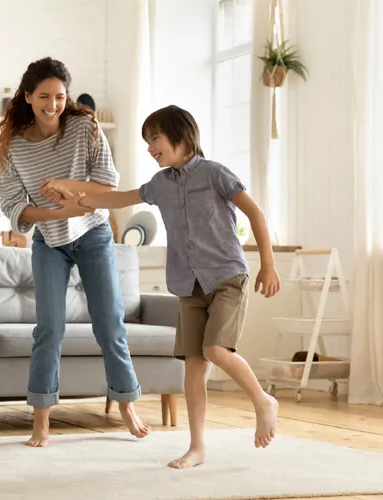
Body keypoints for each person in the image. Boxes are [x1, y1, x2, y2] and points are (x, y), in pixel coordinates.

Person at [58, 104, 281, 469]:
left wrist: (268, 266)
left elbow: (254, 213)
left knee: (214, 349)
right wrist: (81, 201)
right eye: (147, 142)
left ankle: (262, 400)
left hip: (226, 276)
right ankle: (197, 447)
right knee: (193, 367)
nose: (150, 148)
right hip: (188, 284)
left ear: (182, 135)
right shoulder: (161, 184)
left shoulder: (214, 174)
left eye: (155, 139)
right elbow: (122, 197)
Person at [0, 57, 152, 448]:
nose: (53, 104)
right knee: (49, 329)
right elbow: (13, 206)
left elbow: (108, 182)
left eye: (60, 96)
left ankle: (126, 403)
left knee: (109, 324)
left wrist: (64, 185)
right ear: (27, 97)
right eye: (44, 96)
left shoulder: (85, 127)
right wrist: (58, 210)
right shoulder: (13, 146)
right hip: (49, 240)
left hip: (93, 234)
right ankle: (41, 419)